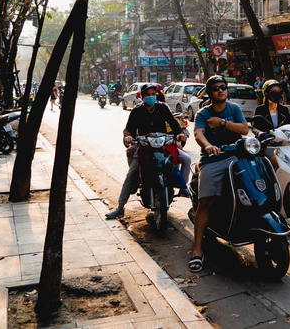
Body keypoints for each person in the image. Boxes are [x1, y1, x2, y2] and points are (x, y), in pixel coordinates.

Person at [189, 75, 249, 273]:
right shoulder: (203, 113)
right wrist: (208, 147)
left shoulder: (234, 109)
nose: (220, 90)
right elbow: (199, 133)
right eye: (216, 88)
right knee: (205, 201)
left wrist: (223, 123)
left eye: (223, 87)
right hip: (213, 159)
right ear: (210, 93)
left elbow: (244, 129)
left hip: (236, 156)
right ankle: (197, 249)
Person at [105, 83, 189, 219]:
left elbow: (174, 124)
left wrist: (179, 134)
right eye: (148, 94)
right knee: (131, 173)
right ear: (142, 96)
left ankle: (183, 189)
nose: (151, 97)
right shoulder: (137, 111)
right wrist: (128, 137)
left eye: (153, 94)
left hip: (164, 146)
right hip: (144, 146)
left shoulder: (163, 108)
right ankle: (120, 207)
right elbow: (128, 129)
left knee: (187, 159)